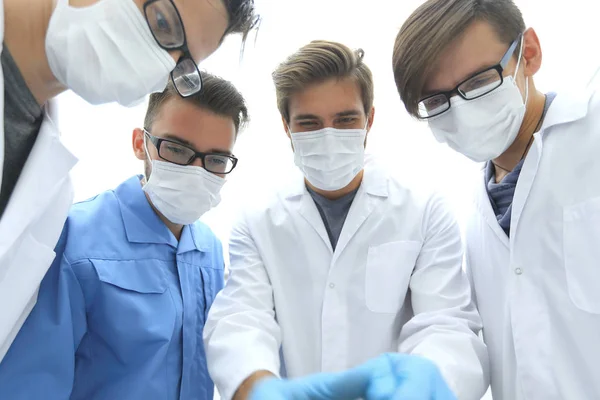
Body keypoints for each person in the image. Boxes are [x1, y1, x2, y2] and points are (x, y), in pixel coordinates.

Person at [203, 40, 489, 400]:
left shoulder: (423, 207)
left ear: (369, 119)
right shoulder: (257, 217)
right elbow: (242, 317)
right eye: (309, 123)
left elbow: (446, 323)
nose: (329, 135)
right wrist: (255, 385)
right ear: (286, 127)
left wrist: (429, 379)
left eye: (345, 119)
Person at [0, 0, 258, 361]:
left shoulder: (49, 190)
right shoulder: (77, 238)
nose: (157, 68)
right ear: (142, 144)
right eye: (163, 22)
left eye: (181, 63)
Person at [392, 1, 600, 399]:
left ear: (530, 54)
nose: (463, 110)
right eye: (437, 101)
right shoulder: (472, 212)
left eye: (478, 82)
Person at [0, 73, 249, 400]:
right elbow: (29, 387)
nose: (196, 170)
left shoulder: (209, 250)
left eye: (215, 159)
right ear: (139, 144)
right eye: (176, 149)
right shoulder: (74, 239)